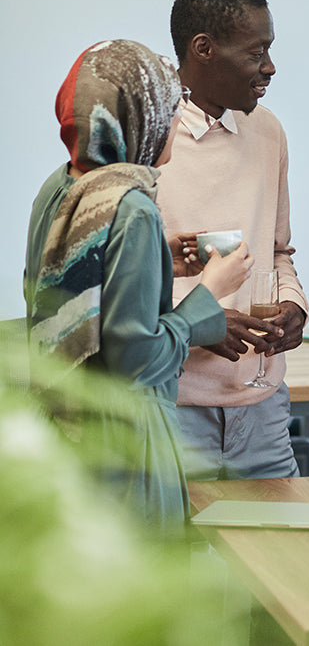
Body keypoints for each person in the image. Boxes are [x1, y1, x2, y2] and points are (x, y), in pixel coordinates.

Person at [24, 39, 252, 531]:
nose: (175, 122)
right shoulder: (133, 206)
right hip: (127, 441)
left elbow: (77, 291)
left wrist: (159, 260)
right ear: (137, 117)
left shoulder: (62, 187)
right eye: (169, 109)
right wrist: (210, 290)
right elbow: (138, 359)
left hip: (66, 429)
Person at [156, 0, 309, 480]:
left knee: (280, 558)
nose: (269, 67)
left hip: (263, 410)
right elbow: (121, 282)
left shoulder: (267, 130)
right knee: (176, 559)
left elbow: (278, 251)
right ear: (204, 49)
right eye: (255, 52)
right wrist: (199, 320)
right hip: (171, 408)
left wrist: (294, 304)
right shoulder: (149, 138)